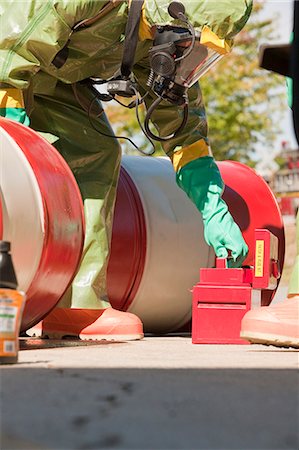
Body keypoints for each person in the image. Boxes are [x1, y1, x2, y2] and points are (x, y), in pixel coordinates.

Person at [0, 0, 251, 340]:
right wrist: (11, 137)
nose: (190, 60)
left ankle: (74, 304)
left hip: (52, 80)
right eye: (190, 45)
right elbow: (10, 47)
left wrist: (213, 209)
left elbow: (183, 133)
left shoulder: (159, 40)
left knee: (95, 150)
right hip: (7, 64)